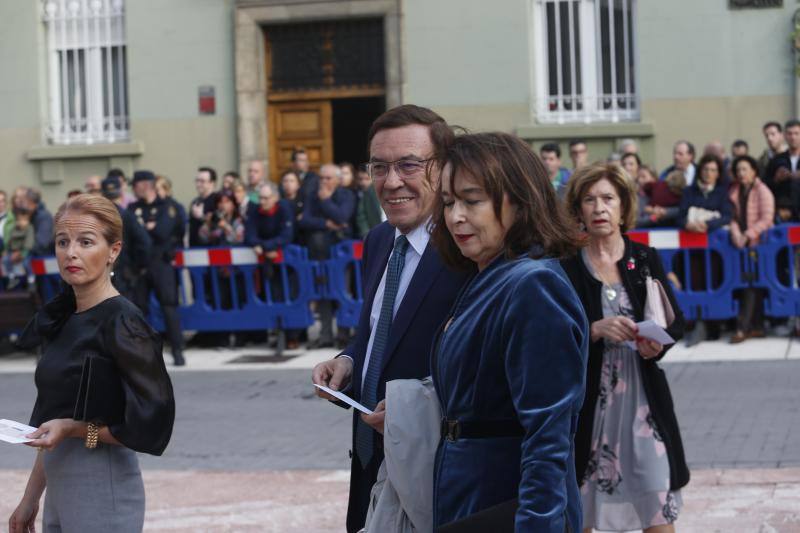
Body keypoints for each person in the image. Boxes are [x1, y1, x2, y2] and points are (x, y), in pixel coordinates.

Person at [311, 104, 467, 533]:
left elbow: (481, 369)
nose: (391, 181)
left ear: (442, 168)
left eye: (409, 165)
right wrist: (346, 361)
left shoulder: (466, 249)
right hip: (369, 459)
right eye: (379, 167)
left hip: (435, 467)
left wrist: (414, 411)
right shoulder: (379, 240)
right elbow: (381, 333)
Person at [428, 132, 587, 531]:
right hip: (470, 500)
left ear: (519, 200)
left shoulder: (532, 285)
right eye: (448, 202)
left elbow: (549, 435)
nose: (455, 216)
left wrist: (536, 524)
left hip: (508, 508)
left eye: (472, 200)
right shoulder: (488, 276)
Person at [9, 193, 174, 533]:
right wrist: (30, 498)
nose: (71, 252)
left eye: (86, 242)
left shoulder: (124, 322)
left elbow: (151, 421)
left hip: (103, 483)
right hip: (59, 483)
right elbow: (54, 415)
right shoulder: (64, 317)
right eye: (62, 242)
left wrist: (74, 429)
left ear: (113, 250)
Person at [561, 162, 689, 533]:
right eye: (589, 200)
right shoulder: (567, 267)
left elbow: (675, 321)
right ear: (579, 210)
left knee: (657, 507)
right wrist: (594, 329)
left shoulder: (645, 258)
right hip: (589, 408)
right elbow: (553, 337)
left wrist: (656, 345)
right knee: (581, 511)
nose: (599, 208)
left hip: (643, 405)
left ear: (622, 206)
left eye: (607, 199)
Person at [129, 170, 186, 366]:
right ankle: (141, 353)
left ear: (144, 185)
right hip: (140, 266)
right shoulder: (132, 208)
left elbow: (163, 232)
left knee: (169, 307)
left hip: (161, 264)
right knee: (138, 310)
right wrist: (147, 228)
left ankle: (177, 350)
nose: (133, 190)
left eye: (135, 185)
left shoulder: (167, 207)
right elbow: (131, 233)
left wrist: (144, 228)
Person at [677, 154, 733, 345]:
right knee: (695, 283)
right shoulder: (689, 192)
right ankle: (696, 324)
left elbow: (726, 216)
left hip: (715, 252)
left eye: (713, 170)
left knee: (715, 283)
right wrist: (688, 223)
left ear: (718, 174)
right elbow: (681, 216)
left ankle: (713, 326)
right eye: (706, 169)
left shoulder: (722, 192)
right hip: (692, 251)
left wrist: (707, 223)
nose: (709, 173)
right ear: (700, 171)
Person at [298, 163, 355, 348]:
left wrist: (326, 202)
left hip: (340, 255)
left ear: (338, 180)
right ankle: (325, 336)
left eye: (328, 178)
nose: (323, 182)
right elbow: (305, 220)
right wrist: (326, 223)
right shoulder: (312, 195)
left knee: (342, 292)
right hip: (318, 254)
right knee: (322, 295)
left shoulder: (346, 194)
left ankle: (343, 334)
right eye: (321, 178)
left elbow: (342, 217)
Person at [244, 182, 297, 348]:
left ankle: (293, 336)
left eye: (266, 198)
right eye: (260, 198)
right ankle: (276, 333)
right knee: (272, 296)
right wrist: (264, 247)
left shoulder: (284, 209)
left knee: (290, 296)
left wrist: (265, 247)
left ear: (275, 198)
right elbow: (249, 236)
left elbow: (287, 235)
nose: (262, 201)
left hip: (288, 264)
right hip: (267, 264)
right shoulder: (254, 211)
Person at [729, 155, 775, 344]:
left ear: (754, 170)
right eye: (738, 170)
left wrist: (747, 234)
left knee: (753, 285)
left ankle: (744, 327)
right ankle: (756, 327)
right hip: (738, 246)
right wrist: (736, 233)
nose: (741, 173)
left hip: (758, 246)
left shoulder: (762, 190)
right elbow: (730, 216)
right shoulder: (733, 190)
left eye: (745, 169)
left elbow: (767, 219)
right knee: (745, 284)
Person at [101, 176, 152, 303]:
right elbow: (145, 243)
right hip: (123, 273)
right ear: (120, 193)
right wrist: (137, 267)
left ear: (102, 194)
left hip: (101, 275)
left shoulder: (95, 217)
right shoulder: (126, 215)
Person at [765, 119, 800, 222]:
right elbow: (765, 184)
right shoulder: (777, 159)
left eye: (796, 134)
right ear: (784, 136)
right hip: (784, 213)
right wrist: (776, 179)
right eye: (789, 134)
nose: (793, 137)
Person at [2, 206, 35, 289]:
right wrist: (6, 250)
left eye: (25, 220)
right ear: (17, 221)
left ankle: (31, 280)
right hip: (13, 251)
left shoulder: (29, 228)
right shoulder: (14, 229)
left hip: (25, 251)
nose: (23, 222)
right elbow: (10, 240)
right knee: (5, 260)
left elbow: (29, 242)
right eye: (21, 220)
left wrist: (22, 254)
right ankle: (12, 278)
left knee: (26, 263)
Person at [188, 166, 218, 247]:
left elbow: (218, 228)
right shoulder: (195, 202)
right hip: (194, 250)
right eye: (197, 180)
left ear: (212, 183)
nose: (198, 184)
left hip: (213, 251)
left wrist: (201, 217)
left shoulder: (218, 201)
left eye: (202, 181)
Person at [155, 175, 187, 249]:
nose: (154, 193)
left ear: (166, 190)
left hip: (173, 248)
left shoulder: (176, 207)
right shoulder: (153, 207)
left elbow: (182, 229)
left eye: (157, 190)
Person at [23, 188, 54, 257]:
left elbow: (42, 243)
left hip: (43, 256)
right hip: (34, 253)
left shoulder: (44, 216)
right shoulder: (29, 214)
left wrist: (24, 252)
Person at [354, 167, 382, 239]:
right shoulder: (359, 193)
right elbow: (361, 216)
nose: (363, 182)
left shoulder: (373, 191)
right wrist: (366, 234)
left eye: (367, 179)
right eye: (360, 179)